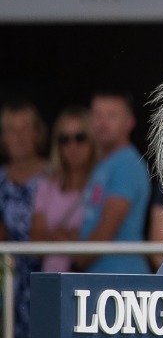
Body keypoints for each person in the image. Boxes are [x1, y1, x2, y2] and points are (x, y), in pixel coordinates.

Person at [77, 92, 152, 274]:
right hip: (105, 277)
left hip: (120, 278)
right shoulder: (104, 163)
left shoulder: (126, 164)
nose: (103, 123)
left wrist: (75, 261)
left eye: (111, 116)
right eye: (97, 115)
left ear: (129, 122)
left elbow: (106, 231)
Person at [0, 101, 48, 338]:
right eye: (10, 129)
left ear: (38, 133)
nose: (18, 137)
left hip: (46, 273)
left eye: (25, 128)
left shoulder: (56, 174)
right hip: (7, 277)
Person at [32, 106, 94, 276]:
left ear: (93, 140)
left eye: (79, 138)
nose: (72, 145)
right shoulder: (46, 185)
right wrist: (63, 238)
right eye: (64, 139)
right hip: (50, 277)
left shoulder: (101, 184)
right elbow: (35, 240)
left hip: (87, 281)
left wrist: (63, 238)